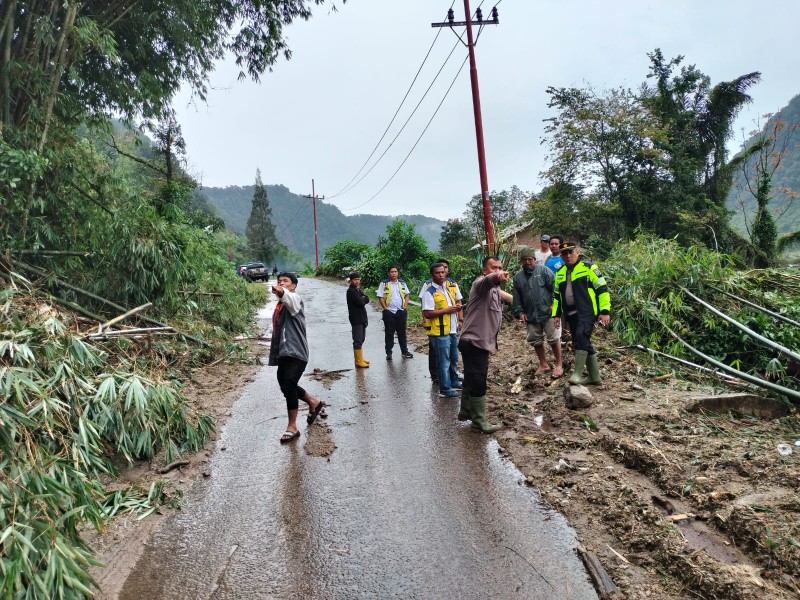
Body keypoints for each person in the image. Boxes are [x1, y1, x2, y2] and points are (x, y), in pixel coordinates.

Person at [458, 256, 513, 433]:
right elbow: (490, 280)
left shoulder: (495, 291)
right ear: (484, 271)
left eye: (500, 268)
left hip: (478, 342)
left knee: (471, 378)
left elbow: (509, 297)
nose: (497, 271)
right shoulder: (480, 285)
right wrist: (497, 276)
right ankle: (479, 422)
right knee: (478, 381)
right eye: (493, 268)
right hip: (475, 342)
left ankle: (465, 411)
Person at [268, 272, 325, 443]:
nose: (282, 283)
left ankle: (292, 427)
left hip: (296, 351)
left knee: (289, 385)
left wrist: (281, 291)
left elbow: (288, 297)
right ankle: (313, 401)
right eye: (279, 281)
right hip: (284, 352)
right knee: (286, 386)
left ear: (293, 286)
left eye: (286, 281)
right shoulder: (280, 306)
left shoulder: (294, 299)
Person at [551, 242, 611, 385]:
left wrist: (604, 311)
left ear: (577, 252)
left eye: (570, 252)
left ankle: (577, 374)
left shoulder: (588, 267)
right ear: (561, 256)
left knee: (581, 335)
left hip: (587, 311)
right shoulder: (560, 273)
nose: (568, 255)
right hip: (571, 313)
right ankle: (595, 377)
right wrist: (556, 314)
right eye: (564, 253)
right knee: (581, 341)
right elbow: (557, 296)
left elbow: (602, 289)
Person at [512, 246, 564, 378]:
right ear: (521, 262)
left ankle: (559, 365)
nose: (528, 262)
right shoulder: (518, 277)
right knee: (536, 340)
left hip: (548, 312)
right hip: (530, 315)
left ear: (535, 260)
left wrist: (554, 304)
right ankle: (544, 365)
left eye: (530, 259)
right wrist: (520, 312)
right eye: (524, 260)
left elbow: (555, 288)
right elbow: (517, 298)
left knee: (554, 339)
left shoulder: (544, 271)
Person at [421, 262, 462, 397]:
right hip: (439, 332)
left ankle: (454, 381)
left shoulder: (449, 289)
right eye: (437, 273)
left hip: (451, 330)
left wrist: (457, 311)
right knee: (443, 362)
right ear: (432, 275)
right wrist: (447, 310)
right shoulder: (430, 292)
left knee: (453, 358)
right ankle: (444, 389)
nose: (441, 275)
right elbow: (427, 313)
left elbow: (455, 304)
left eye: (443, 272)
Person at [376, 266, 413, 360]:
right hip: (389, 312)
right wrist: (385, 308)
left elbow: (407, 295)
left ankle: (404, 351)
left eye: (395, 271)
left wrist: (405, 306)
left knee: (402, 333)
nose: (394, 273)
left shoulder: (402, 283)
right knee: (389, 333)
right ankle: (389, 353)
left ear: (398, 273)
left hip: (401, 311)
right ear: (388, 273)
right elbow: (380, 296)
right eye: (392, 272)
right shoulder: (384, 283)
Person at [346, 272, 370, 368]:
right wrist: (363, 299)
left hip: (362, 317)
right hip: (356, 318)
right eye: (355, 279)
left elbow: (367, 299)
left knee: (362, 338)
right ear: (351, 281)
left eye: (358, 279)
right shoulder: (351, 291)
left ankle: (360, 358)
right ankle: (358, 361)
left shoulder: (357, 290)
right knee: (358, 339)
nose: (357, 281)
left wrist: (363, 298)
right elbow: (361, 302)